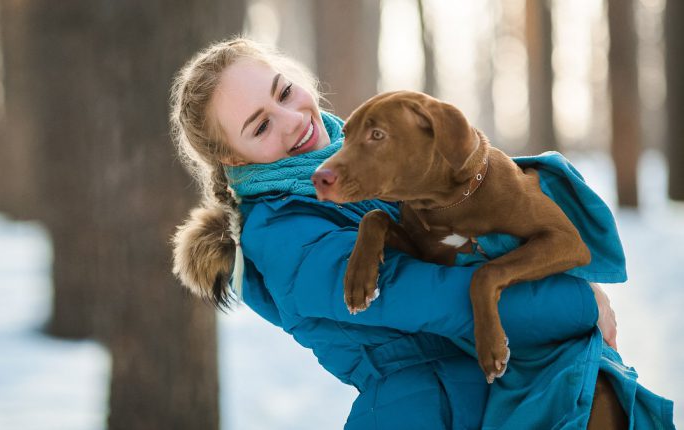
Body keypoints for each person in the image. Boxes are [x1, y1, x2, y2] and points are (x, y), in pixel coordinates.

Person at [169, 37, 673, 429]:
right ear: (233, 159)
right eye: (259, 126)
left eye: (284, 91)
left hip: (493, 399)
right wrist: (580, 303)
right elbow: (443, 299)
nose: (290, 120)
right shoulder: (284, 239)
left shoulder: (371, 169)